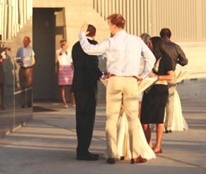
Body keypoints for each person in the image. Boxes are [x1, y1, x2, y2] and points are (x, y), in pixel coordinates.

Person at [79, 13, 156, 164]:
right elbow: (151, 58)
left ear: (114, 25)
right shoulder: (136, 40)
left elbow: (88, 49)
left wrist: (82, 34)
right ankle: (134, 154)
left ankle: (112, 154)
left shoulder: (110, 42)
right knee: (133, 118)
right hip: (131, 80)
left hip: (114, 80)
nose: (108, 27)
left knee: (111, 119)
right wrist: (144, 74)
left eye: (109, 24)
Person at [72, 24, 103, 161]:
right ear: (94, 34)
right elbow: (92, 66)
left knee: (80, 118)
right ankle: (84, 151)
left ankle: (81, 149)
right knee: (88, 118)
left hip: (78, 85)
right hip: (88, 86)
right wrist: (102, 75)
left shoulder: (75, 46)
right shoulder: (93, 46)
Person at [141, 36, 174, 154]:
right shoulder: (147, 58)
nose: (148, 46)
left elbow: (171, 76)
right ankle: (148, 143)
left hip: (160, 89)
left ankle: (158, 145)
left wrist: (157, 76)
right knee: (144, 119)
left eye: (149, 44)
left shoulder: (165, 58)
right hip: (148, 89)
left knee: (158, 119)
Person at [159, 28, 188, 133]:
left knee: (159, 101)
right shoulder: (175, 47)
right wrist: (176, 61)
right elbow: (185, 61)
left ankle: (159, 124)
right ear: (170, 36)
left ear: (161, 36)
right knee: (170, 100)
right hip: (171, 75)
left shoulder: (159, 46)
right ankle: (168, 126)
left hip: (159, 76)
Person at [16, 36, 35, 108]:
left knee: (29, 86)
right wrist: (19, 62)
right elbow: (17, 59)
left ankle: (29, 102)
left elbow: (33, 60)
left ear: (29, 42)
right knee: (22, 86)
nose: (25, 42)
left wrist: (30, 66)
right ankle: (23, 103)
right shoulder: (20, 49)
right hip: (22, 68)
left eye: (26, 41)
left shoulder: (31, 50)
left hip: (28, 69)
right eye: (24, 41)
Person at [57, 39, 75, 108]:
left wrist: (73, 69)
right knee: (63, 87)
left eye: (66, 44)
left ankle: (73, 101)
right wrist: (63, 48)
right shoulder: (58, 51)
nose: (66, 45)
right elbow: (60, 54)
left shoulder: (69, 52)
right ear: (62, 45)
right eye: (64, 44)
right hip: (62, 68)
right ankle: (64, 102)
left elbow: (71, 61)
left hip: (69, 68)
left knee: (72, 86)